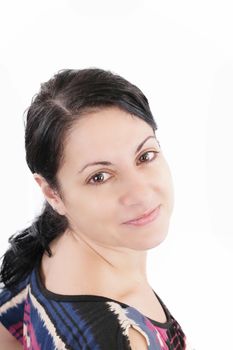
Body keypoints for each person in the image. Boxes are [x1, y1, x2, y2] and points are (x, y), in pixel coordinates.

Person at [0, 68, 190, 349]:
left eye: (145, 156)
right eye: (99, 177)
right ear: (52, 192)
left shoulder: (48, 247)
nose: (140, 193)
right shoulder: (118, 338)